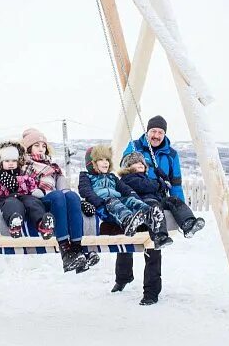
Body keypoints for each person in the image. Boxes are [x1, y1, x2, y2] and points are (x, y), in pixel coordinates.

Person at [113, 115, 191, 306]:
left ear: (164, 133)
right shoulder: (134, 146)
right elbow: (123, 169)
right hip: (133, 198)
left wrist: (177, 206)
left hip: (155, 199)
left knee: (153, 244)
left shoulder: (170, 154)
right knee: (126, 238)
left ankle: (151, 292)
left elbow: (176, 183)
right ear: (147, 131)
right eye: (153, 131)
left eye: (160, 132)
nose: (156, 135)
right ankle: (123, 278)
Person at [21, 128, 99, 273]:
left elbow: (63, 186)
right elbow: (23, 186)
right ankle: (65, 251)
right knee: (57, 196)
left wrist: (73, 199)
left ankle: (77, 249)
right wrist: (39, 191)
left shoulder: (53, 167)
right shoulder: (25, 165)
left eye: (43, 146)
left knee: (72, 196)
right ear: (28, 148)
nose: (41, 149)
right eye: (37, 145)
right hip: (38, 201)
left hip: (56, 198)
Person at [77, 144, 169, 246]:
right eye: (101, 160)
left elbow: (125, 189)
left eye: (107, 160)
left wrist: (134, 196)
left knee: (130, 200)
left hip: (117, 202)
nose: (105, 162)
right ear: (92, 163)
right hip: (104, 207)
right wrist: (98, 202)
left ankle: (149, 214)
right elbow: (85, 191)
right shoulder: (86, 176)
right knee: (113, 201)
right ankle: (127, 221)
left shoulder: (112, 177)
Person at [0, 140, 55, 240]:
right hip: (5, 200)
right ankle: (15, 224)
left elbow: (32, 185)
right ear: (1, 163)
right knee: (13, 203)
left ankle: (42, 223)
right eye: (7, 161)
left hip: (25, 197)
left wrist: (35, 191)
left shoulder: (24, 174)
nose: (11, 164)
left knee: (33, 202)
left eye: (14, 161)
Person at [119, 151, 205, 238]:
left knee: (173, 200)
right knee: (155, 207)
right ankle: (159, 236)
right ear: (128, 167)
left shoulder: (147, 177)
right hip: (143, 205)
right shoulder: (128, 178)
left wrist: (163, 180)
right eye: (136, 162)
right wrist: (160, 184)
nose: (140, 164)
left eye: (142, 162)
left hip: (156, 200)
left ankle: (188, 223)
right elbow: (145, 186)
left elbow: (156, 186)